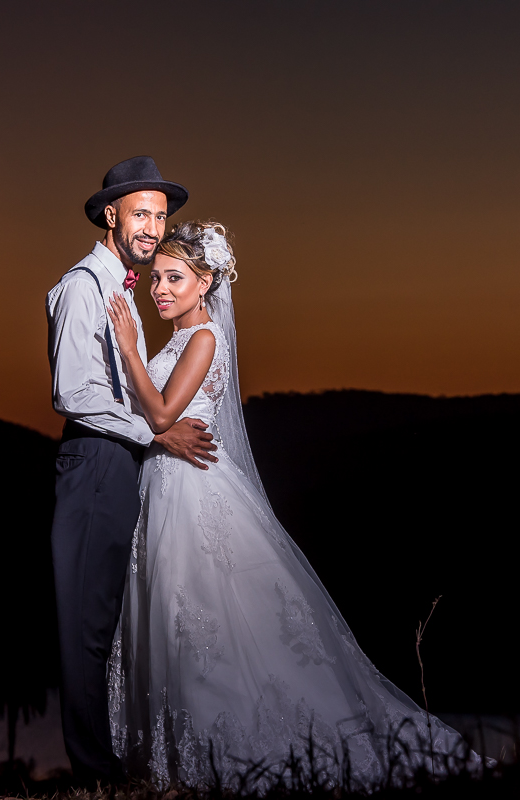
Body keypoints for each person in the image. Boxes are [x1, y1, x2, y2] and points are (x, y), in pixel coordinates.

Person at [104, 221, 476, 791]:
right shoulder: (178, 339)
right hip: (164, 487)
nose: (161, 289)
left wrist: (128, 348)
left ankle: (239, 753)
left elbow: (159, 417)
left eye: (175, 278)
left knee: (208, 619)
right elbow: (156, 417)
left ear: (204, 283)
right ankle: (184, 760)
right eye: (157, 278)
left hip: (194, 490)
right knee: (179, 621)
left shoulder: (203, 339)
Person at [45, 156, 219, 784]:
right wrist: (158, 431)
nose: (152, 227)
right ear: (111, 214)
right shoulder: (82, 287)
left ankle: (116, 760)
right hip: (93, 463)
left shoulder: (121, 289)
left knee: (109, 622)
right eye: (142, 214)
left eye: (161, 216)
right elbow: (74, 393)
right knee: (87, 628)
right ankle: (95, 773)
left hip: (119, 466)